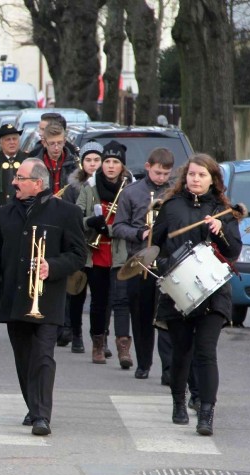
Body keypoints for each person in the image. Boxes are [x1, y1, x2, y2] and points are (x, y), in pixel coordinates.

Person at [0, 158, 86, 436]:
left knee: (43, 355)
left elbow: (79, 255)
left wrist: (52, 266)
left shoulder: (66, 213)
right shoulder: (6, 213)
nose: (14, 182)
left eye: (20, 177)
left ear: (37, 184)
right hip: (15, 298)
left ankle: (42, 415)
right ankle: (33, 406)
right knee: (24, 358)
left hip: (47, 298)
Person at [150, 154, 241, 435]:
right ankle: (179, 401)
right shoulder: (171, 207)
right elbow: (155, 246)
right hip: (179, 290)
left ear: (212, 179)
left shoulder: (222, 210)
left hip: (213, 292)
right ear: (185, 177)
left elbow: (233, 251)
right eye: (192, 174)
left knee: (206, 352)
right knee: (182, 352)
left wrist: (220, 230)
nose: (196, 179)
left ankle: (205, 411)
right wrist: (165, 266)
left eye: (202, 175)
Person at [112, 147, 175, 380]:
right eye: (158, 172)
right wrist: (140, 233)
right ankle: (144, 363)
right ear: (148, 167)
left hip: (167, 262)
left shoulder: (174, 193)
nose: (162, 178)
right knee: (141, 316)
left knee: (167, 317)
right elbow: (118, 227)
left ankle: (168, 369)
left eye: (166, 174)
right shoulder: (131, 193)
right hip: (139, 263)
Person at [76, 141, 135, 367]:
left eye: (116, 162)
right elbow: (76, 218)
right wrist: (90, 221)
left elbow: (133, 222)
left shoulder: (130, 189)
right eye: (107, 161)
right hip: (97, 251)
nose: (111, 166)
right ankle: (98, 344)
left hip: (121, 252)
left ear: (122, 166)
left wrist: (110, 229)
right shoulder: (90, 187)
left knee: (121, 300)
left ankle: (123, 348)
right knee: (99, 302)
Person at [60, 141, 103, 354]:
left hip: (101, 248)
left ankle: (99, 338)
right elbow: (68, 216)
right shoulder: (73, 188)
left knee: (101, 296)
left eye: (97, 160)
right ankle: (76, 333)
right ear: (82, 162)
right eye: (89, 160)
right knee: (76, 292)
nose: (93, 164)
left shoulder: (110, 184)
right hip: (78, 245)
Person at [31, 123, 80, 195]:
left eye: (59, 143)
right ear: (44, 143)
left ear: (64, 142)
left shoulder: (74, 163)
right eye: (52, 143)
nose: (56, 148)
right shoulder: (34, 165)